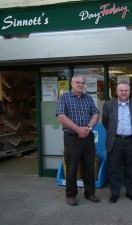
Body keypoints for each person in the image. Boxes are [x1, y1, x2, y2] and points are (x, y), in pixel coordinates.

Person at [56, 74, 100, 206]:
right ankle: (71, 194)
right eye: (77, 82)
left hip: (87, 136)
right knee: (72, 167)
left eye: (82, 83)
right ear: (72, 84)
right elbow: (61, 116)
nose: (80, 84)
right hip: (72, 138)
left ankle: (90, 193)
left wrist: (88, 127)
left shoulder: (88, 98)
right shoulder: (64, 97)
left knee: (89, 165)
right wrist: (78, 129)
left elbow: (95, 114)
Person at [102, 82, 132, 203]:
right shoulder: (108, 105)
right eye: (121, 90)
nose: (124, 92)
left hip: (131, 141)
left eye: (126, 90)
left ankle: (130, 192)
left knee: (131, 169)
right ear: (117, 92)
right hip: (115, 141)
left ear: (129, 92)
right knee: (114, 169)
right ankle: (115, 193)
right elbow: (105, 122)